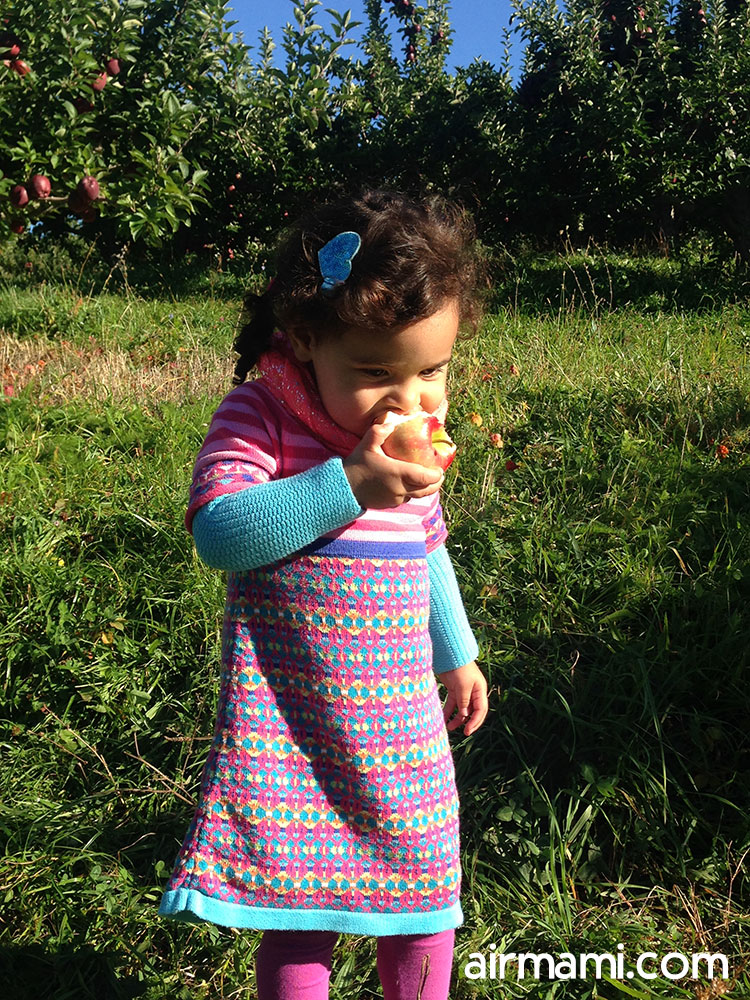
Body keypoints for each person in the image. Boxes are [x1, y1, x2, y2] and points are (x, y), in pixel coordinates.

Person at [158, 188, 490, 1000]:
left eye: (432, 372)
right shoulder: (262, 415)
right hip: (294, 726)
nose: (410, 401)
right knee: (300, 903)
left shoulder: (412, 442)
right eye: (376, 373)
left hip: (400, 720)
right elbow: (221, 532)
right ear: (306, 338)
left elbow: (427, 547)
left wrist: (458, 652)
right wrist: (348, 483)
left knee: (423, 900)